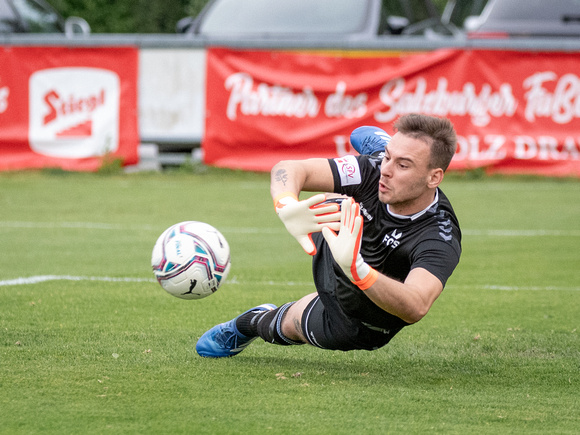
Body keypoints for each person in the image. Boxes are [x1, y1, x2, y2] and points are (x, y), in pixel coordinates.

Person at [196, 113, 461, 357]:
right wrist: (285, 204)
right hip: (339, 236)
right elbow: (287, 168)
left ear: (434, 177)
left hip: (361, 316)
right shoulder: (375, 171)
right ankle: (379, 149)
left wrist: (358, 270)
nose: (386, 170)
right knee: (341, 202)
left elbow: (416, 305)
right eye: (388, 157)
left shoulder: (439, 235)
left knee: (291, 324)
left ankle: (249, 323)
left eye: (403, 165)